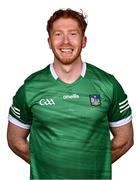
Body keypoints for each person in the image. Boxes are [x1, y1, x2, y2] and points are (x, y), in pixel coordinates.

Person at [7, 8, 134, 179]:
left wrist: (93, 166)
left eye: (73, 34)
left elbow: (125, 139)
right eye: (58, 34)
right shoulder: (30, 88)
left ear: (84, 41)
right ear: (49, 42)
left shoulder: (108, 84)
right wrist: (47, 167)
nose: (65, 41)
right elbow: (15, 140)